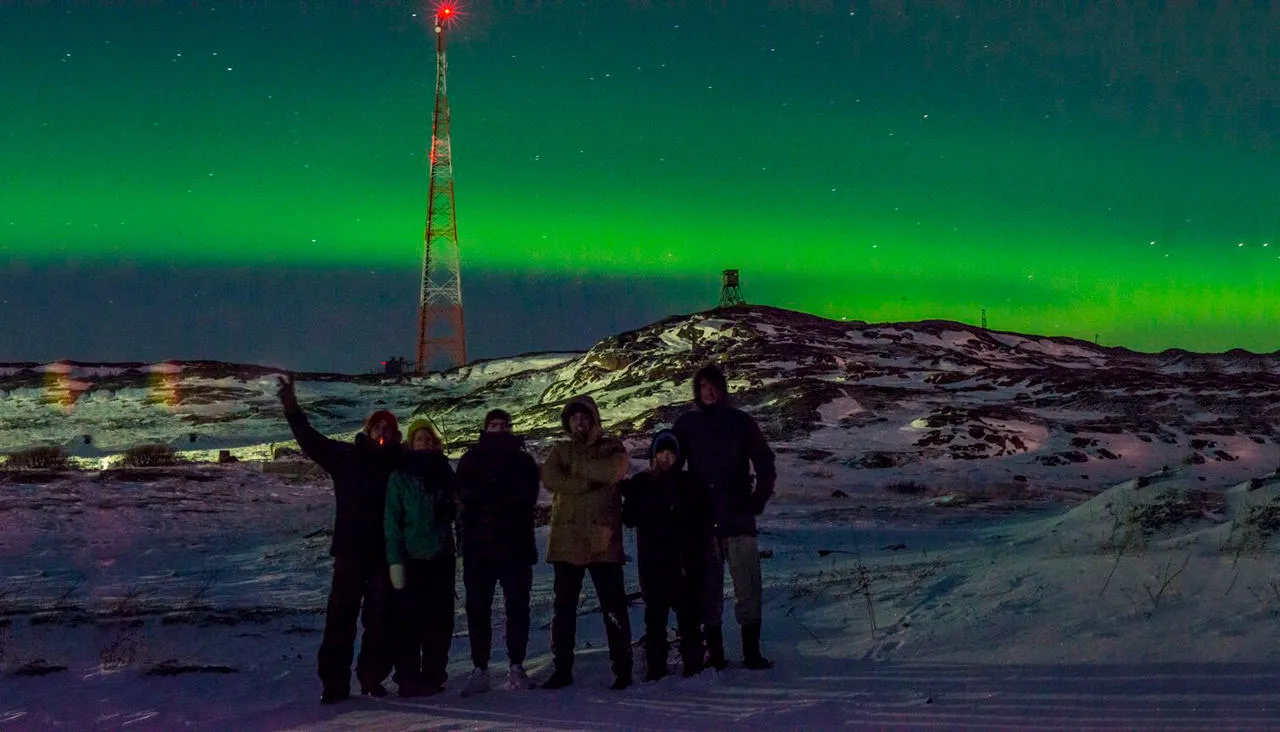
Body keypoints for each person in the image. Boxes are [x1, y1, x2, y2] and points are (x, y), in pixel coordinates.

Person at [275, 374, 402, 703]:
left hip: (384, 555)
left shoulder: (400, 463)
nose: (383, 433)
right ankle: (334, 684)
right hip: (350, 553)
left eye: (389, 429)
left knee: (380, 620)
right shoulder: (347, 456)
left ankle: (372, 677)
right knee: (340, 621)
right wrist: (291, 407)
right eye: (378, 428)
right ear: (369, 430)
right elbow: (310, 440)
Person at [673, 364, 777, 671]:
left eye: (714, 385)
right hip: (703, 523)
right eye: (703, 386)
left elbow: (764, 461)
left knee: (748, 586)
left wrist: (758, 497)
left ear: (723, 388)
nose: (709, 391)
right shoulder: (687, 424)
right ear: (697, 390)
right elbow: (671, 465)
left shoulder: (741, 422)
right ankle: (714, 653)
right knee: (708, 589)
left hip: (738, 518)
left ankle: (752, 653)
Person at [539, 395, 633, 691]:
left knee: (614, 608)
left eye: (584, 416)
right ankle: (562, 668)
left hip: (603, 541)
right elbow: (551, 478)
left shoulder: (611, 447)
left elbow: (614, 470)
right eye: (574, 417)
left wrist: (576, 470)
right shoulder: (560, 449)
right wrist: (587, 482)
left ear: (593, 419)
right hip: (567, 542)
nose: (579, 422)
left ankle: (623, 668)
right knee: (563, 610)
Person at [455, 409, 540, 697]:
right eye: (493, 425)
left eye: (504, 425)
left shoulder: (523, 461)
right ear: (485, 427)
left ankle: (516, 665)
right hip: (479, 549)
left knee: (517, 608)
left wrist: (489, 500)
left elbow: (526, 498)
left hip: (515, 547)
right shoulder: (470, 459)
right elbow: (464, 497)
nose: (499, 430)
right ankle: (480, 668)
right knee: (478, 609)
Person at [620, 430, 711, 681]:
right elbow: (628, 518)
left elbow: (702, 517)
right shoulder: (643, 483)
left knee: (689, 619)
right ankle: (655, 669)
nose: (665, 457)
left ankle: (693, 666)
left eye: (670, 453)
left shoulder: (689, 484)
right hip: (654, 562)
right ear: (653, 454)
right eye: (661, 452)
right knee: (655, 620)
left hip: (685, 561)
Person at [384, 417, 457, 697]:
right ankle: (407, 677)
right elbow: (392, 520)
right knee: (408, 622)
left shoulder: (444, 472)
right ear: (411, 444)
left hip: (441, 556)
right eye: (419, 439)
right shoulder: (400, 475)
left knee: (439, 621)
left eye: (428, 439)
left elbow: (457, 507)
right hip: (411, 558)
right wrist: (395, 561)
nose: (424, 443)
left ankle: (434, 675)